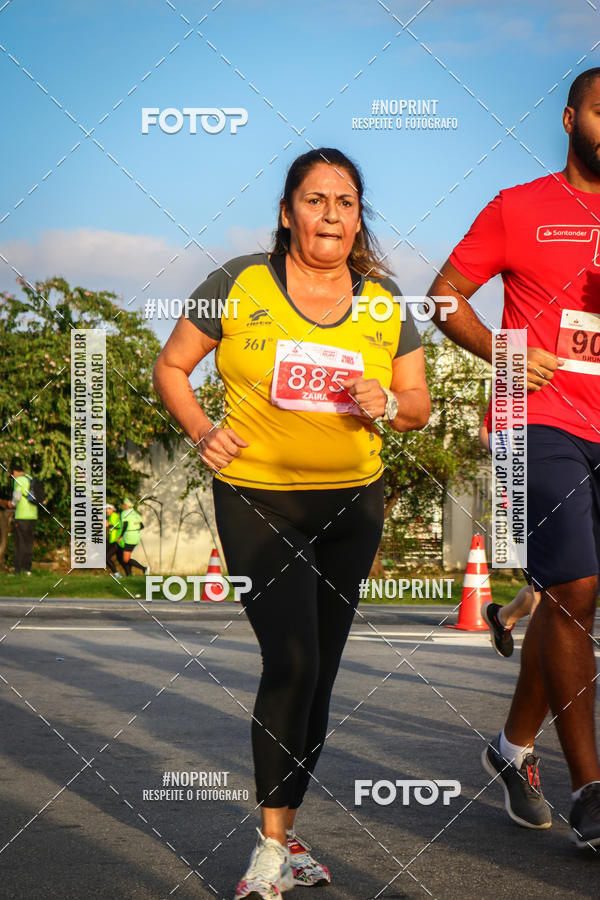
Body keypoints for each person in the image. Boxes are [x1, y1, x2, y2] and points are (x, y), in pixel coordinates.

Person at [153, 147, 430, 899]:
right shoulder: (239, 283)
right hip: (257, 499)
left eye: (345, 201)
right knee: (293, 663)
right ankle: (269, 850)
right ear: (288, 212)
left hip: (351, 505)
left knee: (323, 678)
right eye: (315, 199)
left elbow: (418, 405)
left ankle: (289, 830)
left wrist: (390, 404)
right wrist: (201, 430)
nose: (331, 213)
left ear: (357, 217)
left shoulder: (383, 302)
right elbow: (172, 365)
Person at [428, 68, 600, 846]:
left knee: (567, 602)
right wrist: (501, 350)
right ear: (571, 119)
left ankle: (511, 748)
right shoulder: (520, 206)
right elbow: (443, 295)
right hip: (536, 419)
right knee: (574, 584)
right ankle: (592, 792)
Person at [478, 421, 540, 657]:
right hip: (528, 509)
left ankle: (502, 617)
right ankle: (542, 678)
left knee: (569, 588)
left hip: (580, 503)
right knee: (545, 592)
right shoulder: (517, 387)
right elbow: (485, 429)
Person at [8, 459, 38, 574]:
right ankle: (28, 569)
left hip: (22, 515)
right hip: (33, 515)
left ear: (15, 472)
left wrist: (11, 504)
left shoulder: (19, 480)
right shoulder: (30, 478)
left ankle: (18, 570)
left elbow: (17, 497)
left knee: (19, 542)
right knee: (29, 542)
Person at [118, 499, 147, 576]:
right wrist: (135, 530)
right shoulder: (136, 513)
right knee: (126, 557)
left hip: (129, 536)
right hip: (136, 535)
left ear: (127, 505)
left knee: (125, 559)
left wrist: (120, 536)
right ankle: (129, 575)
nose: (123, 505)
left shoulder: (124, 513)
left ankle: (144, 568)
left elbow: (125, 525)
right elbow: (142, 526)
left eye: (124, 504)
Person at [105, 503, 124, 578]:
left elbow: (118, 526)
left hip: (116, 541)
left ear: (113, 509)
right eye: (106, 509)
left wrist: (108, 525)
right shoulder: (111, 517)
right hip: (113, 541)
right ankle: (142, 569)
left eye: (108, 509)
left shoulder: (114, 516)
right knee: (121, 560)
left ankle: (116, 573)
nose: (107, 510)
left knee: (106, 557)